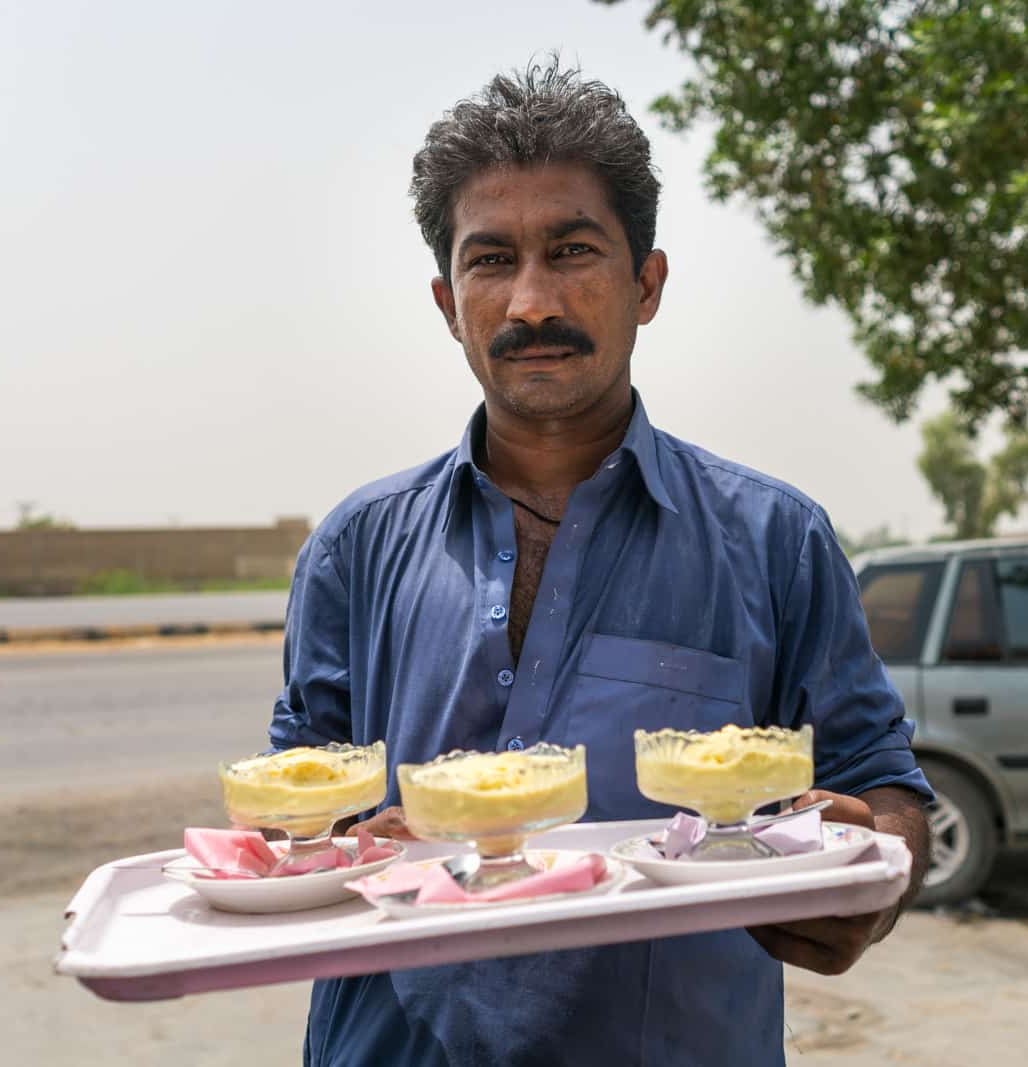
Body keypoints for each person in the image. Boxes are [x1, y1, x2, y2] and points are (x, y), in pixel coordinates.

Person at [269, 63, 932, 1067]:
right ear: (450, 303)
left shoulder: (773, 538)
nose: (531, 301)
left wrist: (874, 875)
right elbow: (297, 807)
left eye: (571, 250)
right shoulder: (355, 549)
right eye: (492, 261)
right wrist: (318, 840)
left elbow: (883, 785)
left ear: (645, 283)